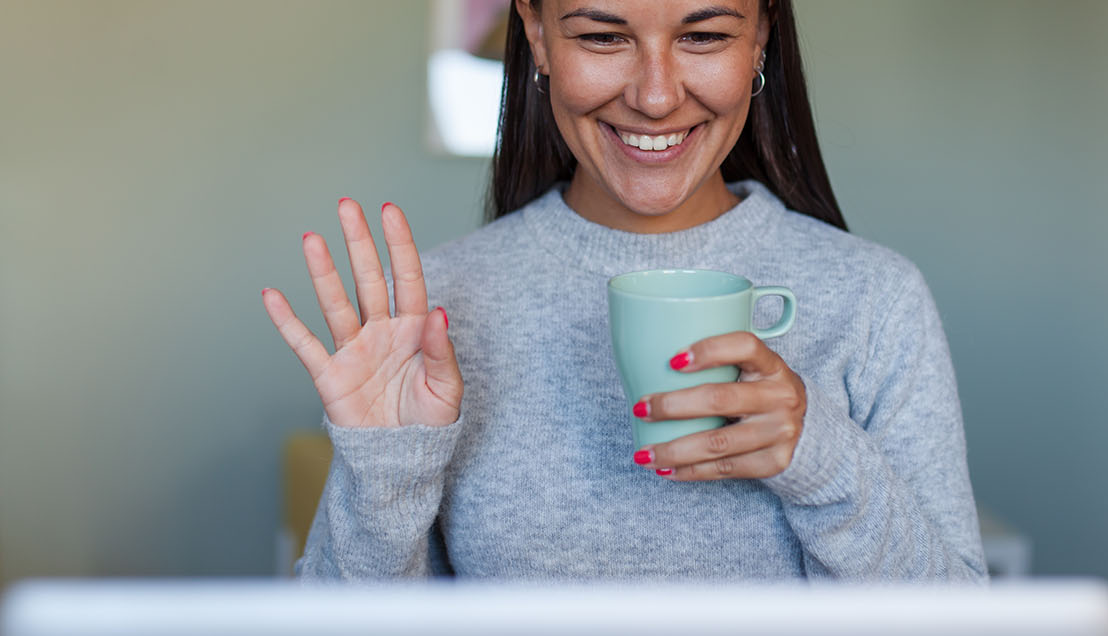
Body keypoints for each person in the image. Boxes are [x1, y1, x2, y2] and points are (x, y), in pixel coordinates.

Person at [260, 0, 988, 581]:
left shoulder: (874, 299)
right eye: (604, 38)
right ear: (538, 36)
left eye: (704, 36)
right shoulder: (438, 313)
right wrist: (385, 477)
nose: (656, 95)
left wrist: (821, 459)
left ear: (761, 36)